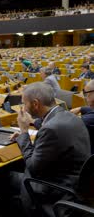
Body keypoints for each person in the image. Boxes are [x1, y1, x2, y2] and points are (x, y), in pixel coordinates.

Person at [8, 82, 90, 215]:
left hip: (59, 190)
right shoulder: (69, 116)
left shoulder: (51, 129)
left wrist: (24, 132)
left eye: (24, 103)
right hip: (77, 183)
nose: (23, 107)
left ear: (35, 104)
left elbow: (33, 168)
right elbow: (51, 130)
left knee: (5, 176)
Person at [71, 79, 94, 154]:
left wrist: (35, 121)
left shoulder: (89, 119)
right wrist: (81, 108)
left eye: (86, 94)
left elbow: (67, 125)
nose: (85, 97)